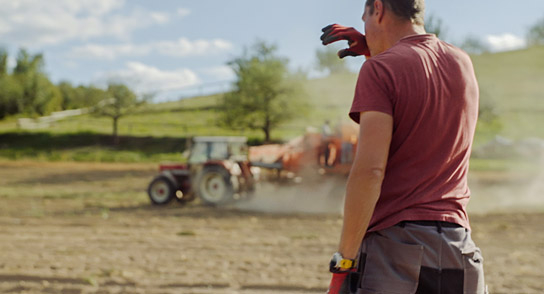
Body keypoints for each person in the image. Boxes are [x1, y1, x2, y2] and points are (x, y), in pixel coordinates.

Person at [320, 0, 487, 293]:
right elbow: (420, 83)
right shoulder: (462, 62)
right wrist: (375, 49)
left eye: (365, 18)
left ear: (379, 10)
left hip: (396, 253)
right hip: (459, 250)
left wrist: (344, 260)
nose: (364, 27)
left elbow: (370, 171)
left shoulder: (380, 69)